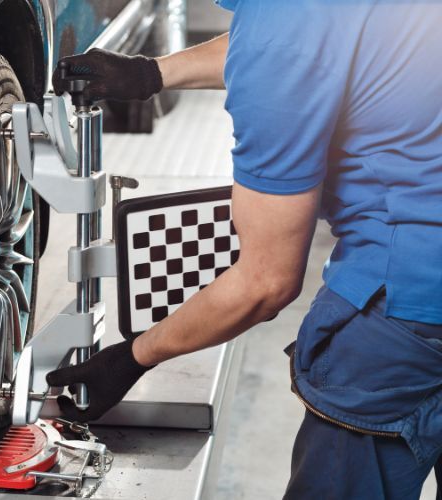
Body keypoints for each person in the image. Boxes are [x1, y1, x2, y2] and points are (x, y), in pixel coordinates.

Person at [47, 1, 442, 498]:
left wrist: (131, 358)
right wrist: (151, 73)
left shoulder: (278, 31)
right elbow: (312, 42)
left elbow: (266, 282)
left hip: (408, 303)